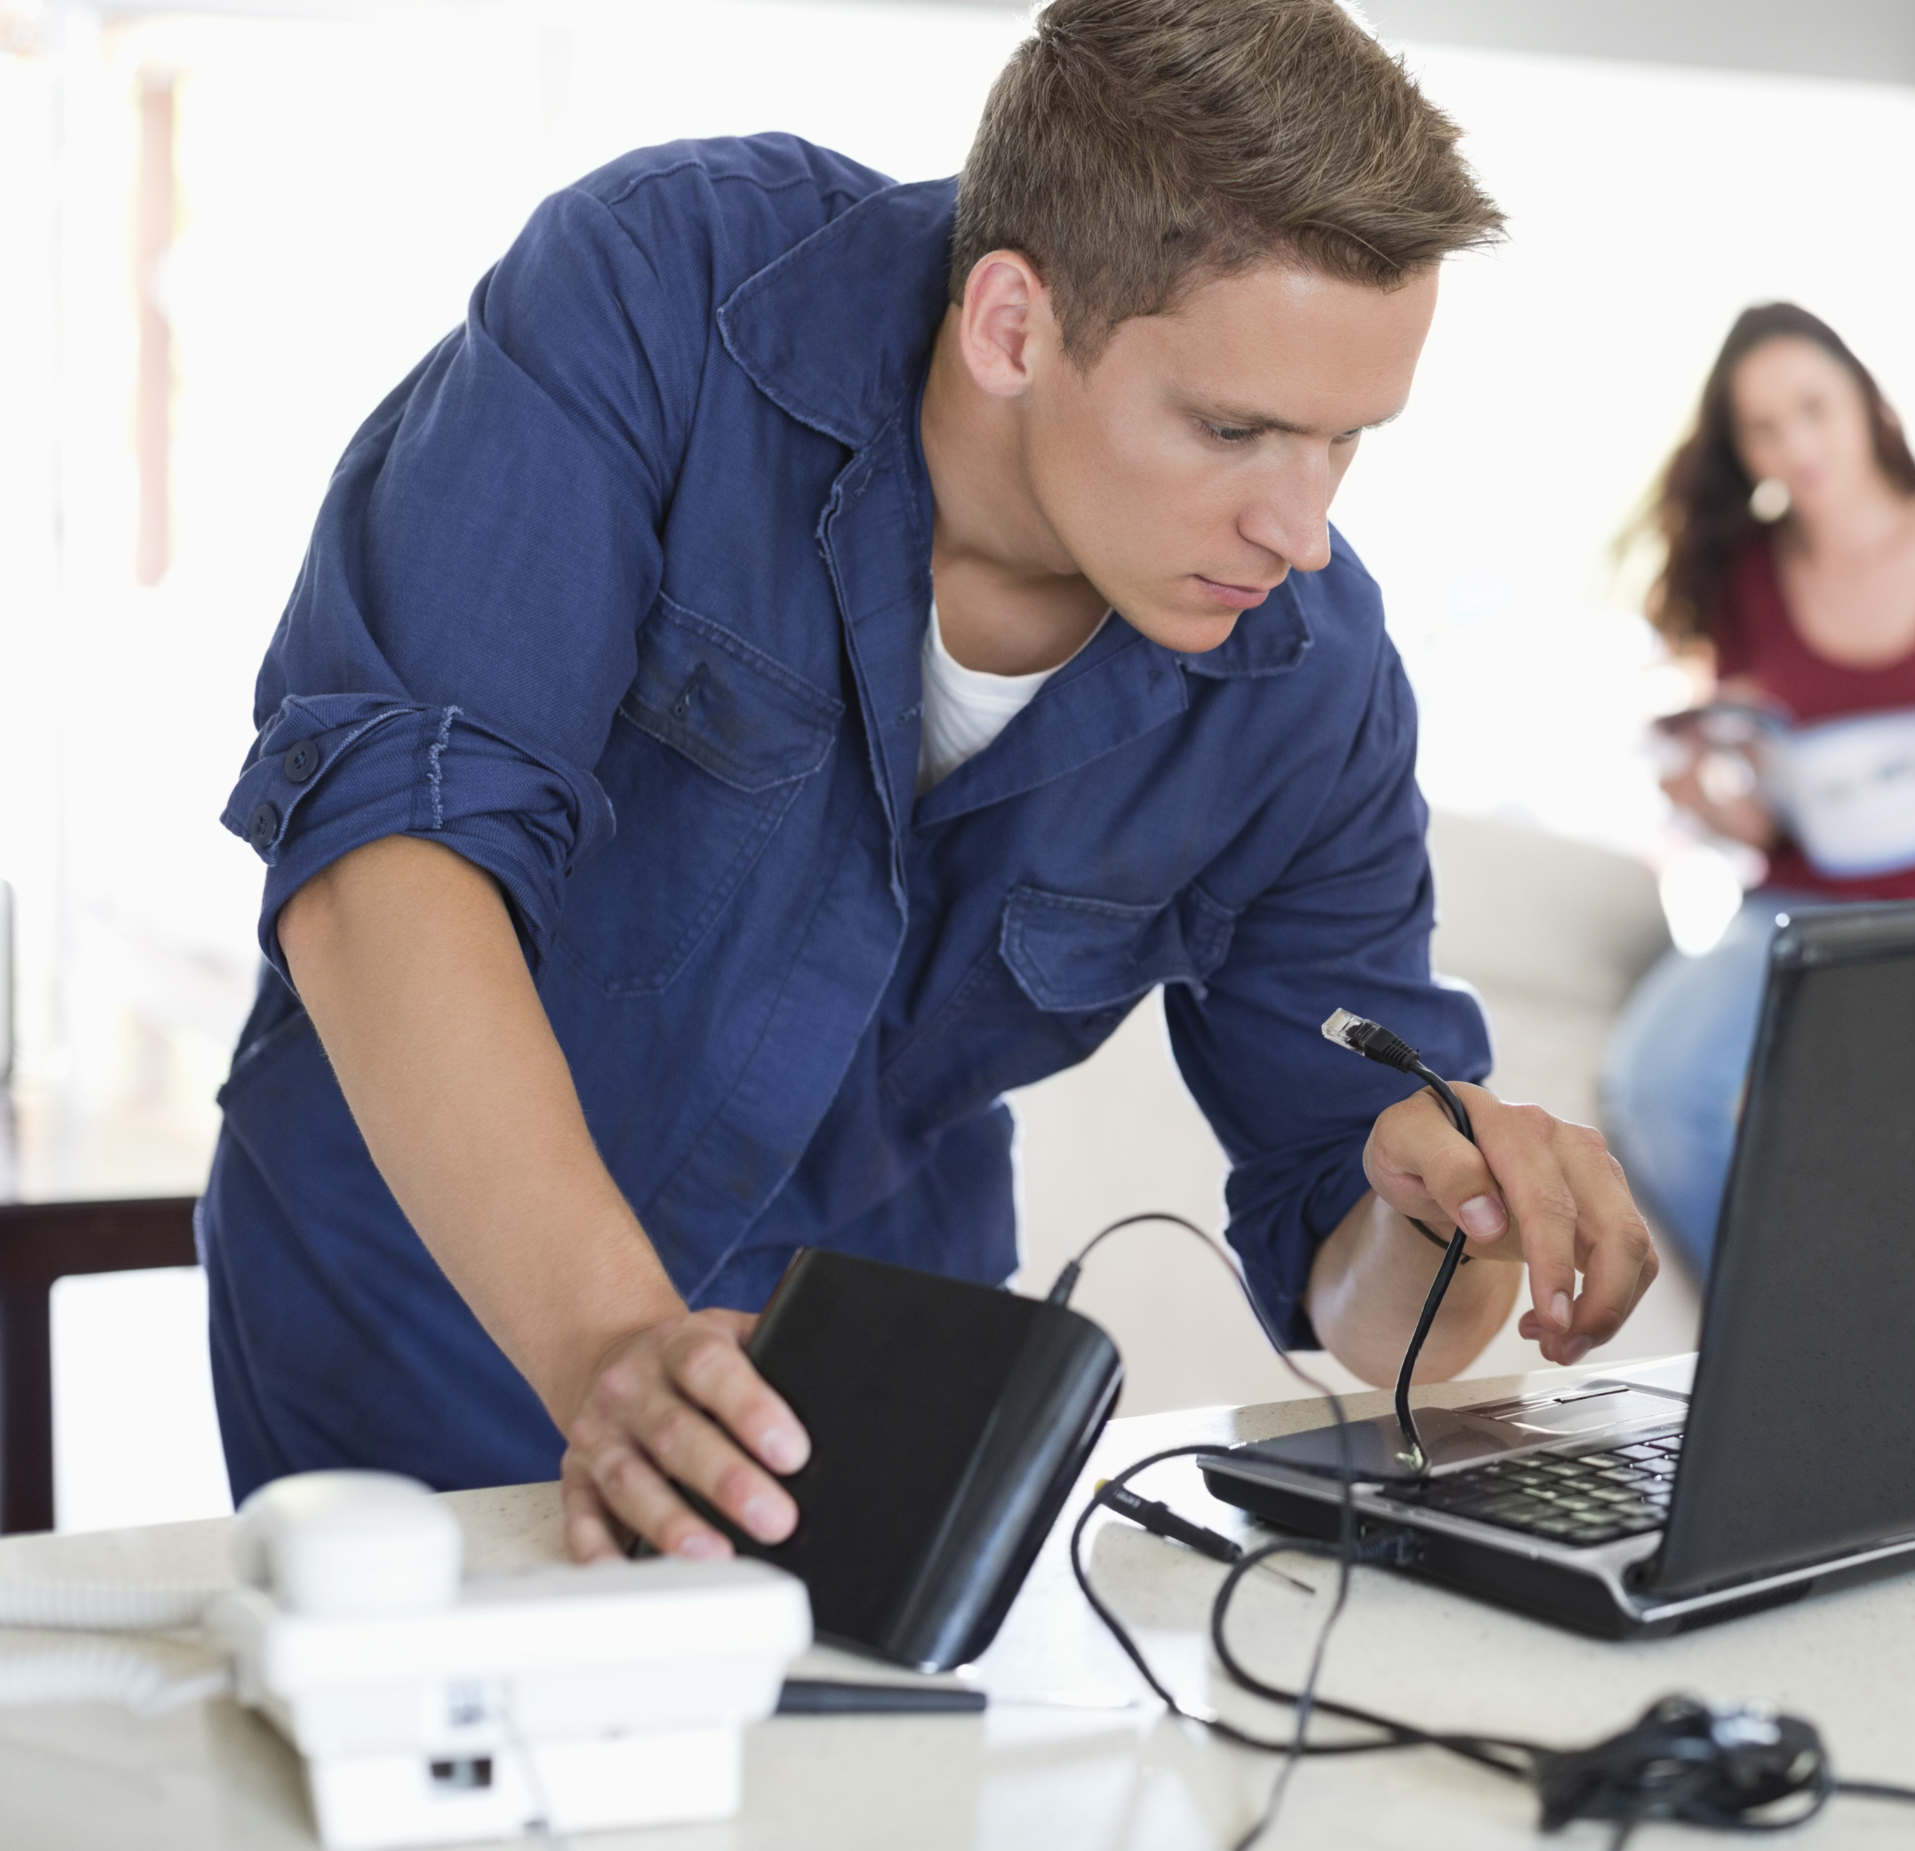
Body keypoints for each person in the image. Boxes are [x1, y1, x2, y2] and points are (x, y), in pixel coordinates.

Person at [202, 0, 1657, 1567]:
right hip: (420, 1300)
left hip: (870, 1381)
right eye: (1234, 429)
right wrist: (616, 1341)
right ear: (1014, 325)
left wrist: (1445, 1230)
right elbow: (384, 858)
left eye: (1346, 442)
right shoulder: (659, 293)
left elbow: (1376, 1311)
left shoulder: (1312, 683)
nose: (1298, 529)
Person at [1600, 303, 1915, 1270]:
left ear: (1864, 401)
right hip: (1793, 913)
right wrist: (1708, 795)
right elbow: (1758, 813)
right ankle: (1787, 1324)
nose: (1797, 444)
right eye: (1763, 428)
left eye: (1813, 407)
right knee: (1654, 1085)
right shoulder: (1741, 577)